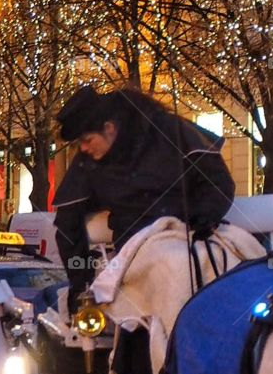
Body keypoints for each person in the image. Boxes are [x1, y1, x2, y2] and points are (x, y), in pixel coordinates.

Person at [53, 85, 235, 299]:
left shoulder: (170, 132)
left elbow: (217, 181)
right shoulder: (89, 163)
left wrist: (202, 217)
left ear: (109, 128)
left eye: (86, 140)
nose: (83, 149)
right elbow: (68, 222)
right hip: (135, 252)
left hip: (188, 236)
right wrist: (81, 285)